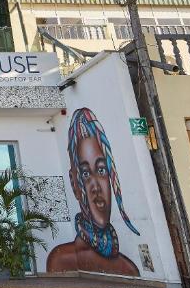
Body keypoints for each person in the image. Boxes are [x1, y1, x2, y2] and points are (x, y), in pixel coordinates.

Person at [46, 108, 140, 276]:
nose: (96, 187)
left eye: (102, 170)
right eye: (86, 174)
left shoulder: (128, 269)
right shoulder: (61, 260)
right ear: (74, 184)